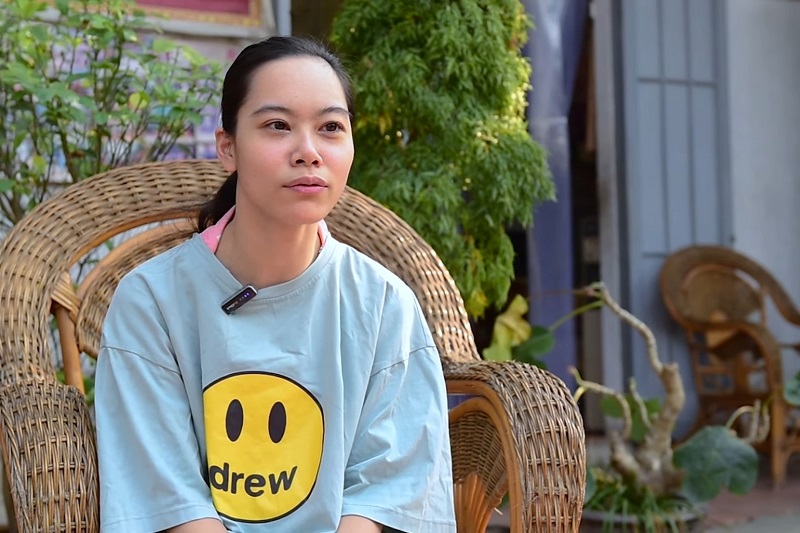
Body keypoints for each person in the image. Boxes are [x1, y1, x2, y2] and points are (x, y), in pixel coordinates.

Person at [94, 35, 456, 533]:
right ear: (228, 148)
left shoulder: (384, 304)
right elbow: (168, 499)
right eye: (278, 125)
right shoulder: (152, 302)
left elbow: (390, 494)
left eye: (330, 127)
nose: (308, 152)